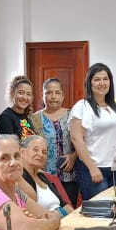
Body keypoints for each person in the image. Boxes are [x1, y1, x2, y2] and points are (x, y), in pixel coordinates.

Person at [69, 63, 116, 200]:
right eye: (97, 79)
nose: (102, 83)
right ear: (89, 83)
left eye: (105, 79)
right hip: (94, 169)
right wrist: (92, 167)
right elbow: (76, 139)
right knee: (100, 211)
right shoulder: (82, 106)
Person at [30, 77, 78, 207]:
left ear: (63, 96)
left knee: (69, 210)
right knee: (48, 211)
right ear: (42, 95)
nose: (53, 96)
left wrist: (73, 156)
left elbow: (83, 141)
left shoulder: (73, 115)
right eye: (49, 93)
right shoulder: (33, 118)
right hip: (43, 176)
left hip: (69, 175)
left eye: (57, 93)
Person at [19, 134, 73, 214]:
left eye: (44, 152)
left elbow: (63, 204)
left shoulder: (42, 176)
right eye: (35, 150)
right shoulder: (19, 178)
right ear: (22, 152)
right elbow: (33, 211)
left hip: (63, 216)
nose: (41, 154)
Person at [0, 75, 36, 140]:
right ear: (12, 94)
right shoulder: (5, 117)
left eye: (28, 94)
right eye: (21, 93)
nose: (25, 97)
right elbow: (10, 144)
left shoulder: (27, 117)